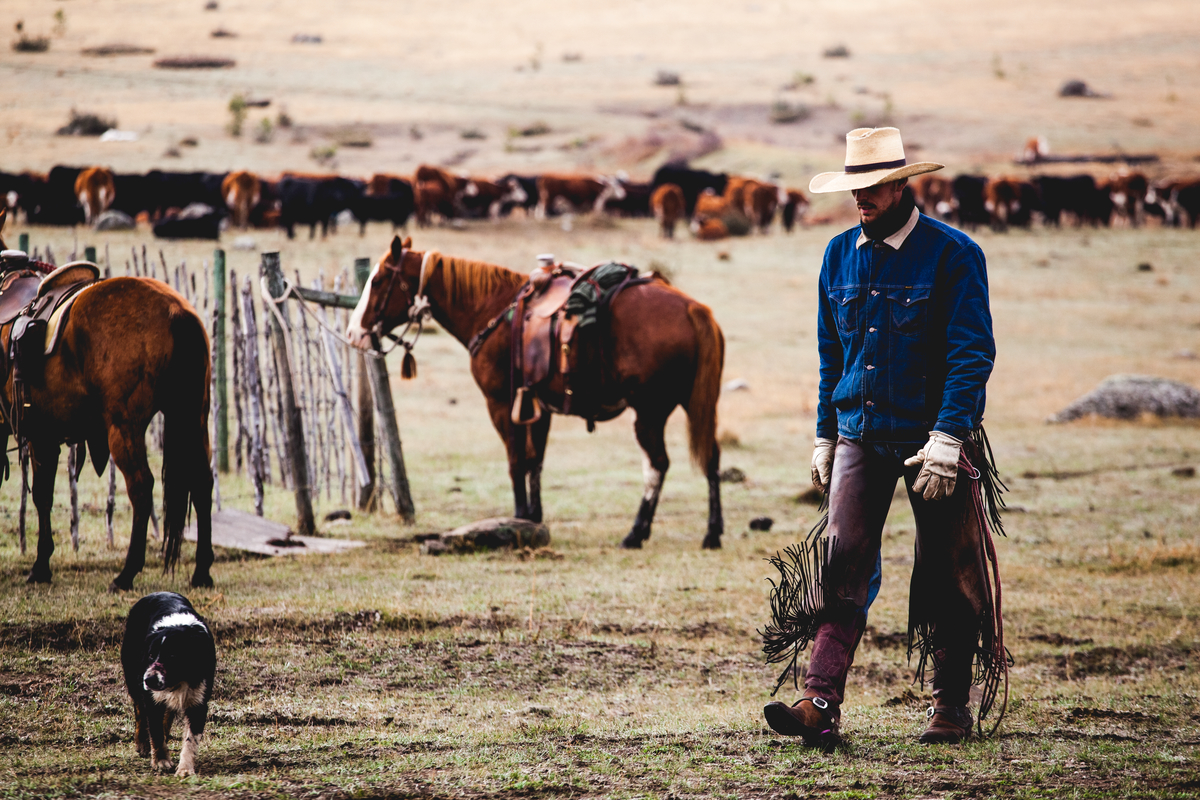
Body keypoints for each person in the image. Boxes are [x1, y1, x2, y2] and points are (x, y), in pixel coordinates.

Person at [763, 127, 1003, 746]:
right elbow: (830, 353)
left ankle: (952, 705)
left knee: (950, 569)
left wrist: (951, 435)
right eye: (854, 188)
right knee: (840, 562)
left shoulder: (954, 254)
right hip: (859, 434)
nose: (860, 199)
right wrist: (824, 435)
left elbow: (971, 352)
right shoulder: (838, 254)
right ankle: (820, 701)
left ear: (902, 185)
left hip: (935, 440)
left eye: (871, 188)